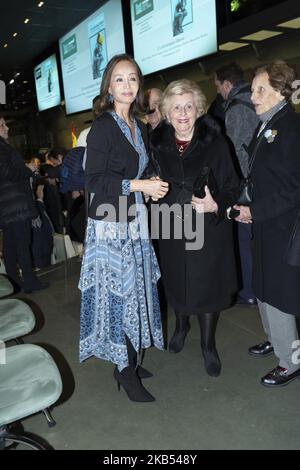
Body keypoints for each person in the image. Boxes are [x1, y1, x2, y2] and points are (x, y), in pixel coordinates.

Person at [79, 53, 169, 402]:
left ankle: (127, 358)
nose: (128, 85)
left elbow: (136, 170)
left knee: (137, 292)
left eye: (133, 78)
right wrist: (139, 186)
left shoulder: (138, 126)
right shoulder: (102, 126)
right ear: (109, 86)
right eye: (120, 79)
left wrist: (151, 181)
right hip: (110, 226)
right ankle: (124, 369)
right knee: (121, 298)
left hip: (134, 222)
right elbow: (95, 182)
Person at [150, 79, 238, 377]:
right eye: (176, 107)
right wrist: (150, 190)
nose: (183, 113)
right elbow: (149, 179)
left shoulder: (217, 142)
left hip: (207, 226)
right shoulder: (157, 144)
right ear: (166, 112)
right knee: (176, 280)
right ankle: (181, 325)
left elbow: (232, 186)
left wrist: (216, 205)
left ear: (199, 109)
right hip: (171, 224)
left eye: (189, 106)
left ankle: (208, 344)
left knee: (207, 284)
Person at [234, 62, 300, 387]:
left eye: (260, 89)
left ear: (280, 90)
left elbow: (294, 189)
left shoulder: (292, 128)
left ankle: (290, 361)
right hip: (263, 222)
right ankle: (274, 340)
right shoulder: (267, 124)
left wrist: (254, 212)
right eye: (253, 89)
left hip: (282, 227)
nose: (253, 95)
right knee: (261, 285)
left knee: (278, 294)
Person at [215, 62, 260, 307]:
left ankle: (248, 290)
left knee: (242, 240)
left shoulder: (235, 109)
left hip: (245, 188)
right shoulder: (254, 101)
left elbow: (234, 154)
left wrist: (234, 190)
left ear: (227, 84)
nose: (219, 92)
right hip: (264, 184)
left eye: (218, 86)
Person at [0, 115, 49, 293]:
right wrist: (27, 169)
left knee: (11, 245)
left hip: (7, 205)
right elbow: (7, 172)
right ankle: (29, 281)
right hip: (15, 204)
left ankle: (15, 283)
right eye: (2, 125)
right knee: (21, 243)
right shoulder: (2, 147)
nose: (7, 128)